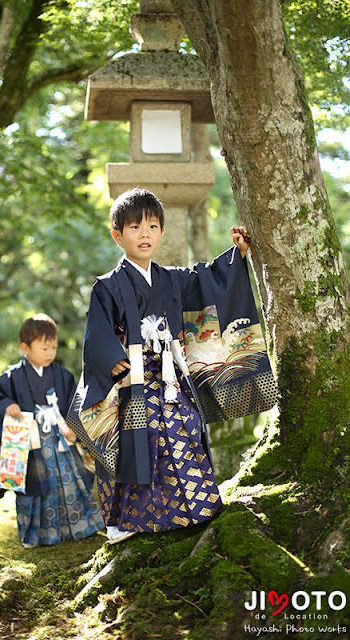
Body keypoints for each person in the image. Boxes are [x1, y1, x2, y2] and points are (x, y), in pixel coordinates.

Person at [67, 188, 277, 544]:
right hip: (129, 378)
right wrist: (111, 359)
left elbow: (208, 280)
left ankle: (192, 507)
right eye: (134, 227)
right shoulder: (107, 286)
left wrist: (237, 255)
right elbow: (97, 332)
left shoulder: (171, 279)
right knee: (133, 441)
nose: (144, 234)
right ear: (118, 235)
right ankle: (121, 520)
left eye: (152, 226)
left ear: (162, 232)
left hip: (169, 375)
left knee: (187, 427)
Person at [0, 313, 104, 547]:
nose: (50, 353)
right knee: (33, 489)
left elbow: (75, 405)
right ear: (25, 347)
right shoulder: (11, 378)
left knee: (70, 482)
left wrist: (74, 429)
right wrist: (7, 405)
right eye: (44, 348)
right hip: (30, 445)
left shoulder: (63, 375)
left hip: (60, 441)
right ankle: (35, 535)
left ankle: (79, 527)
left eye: (53, 347)